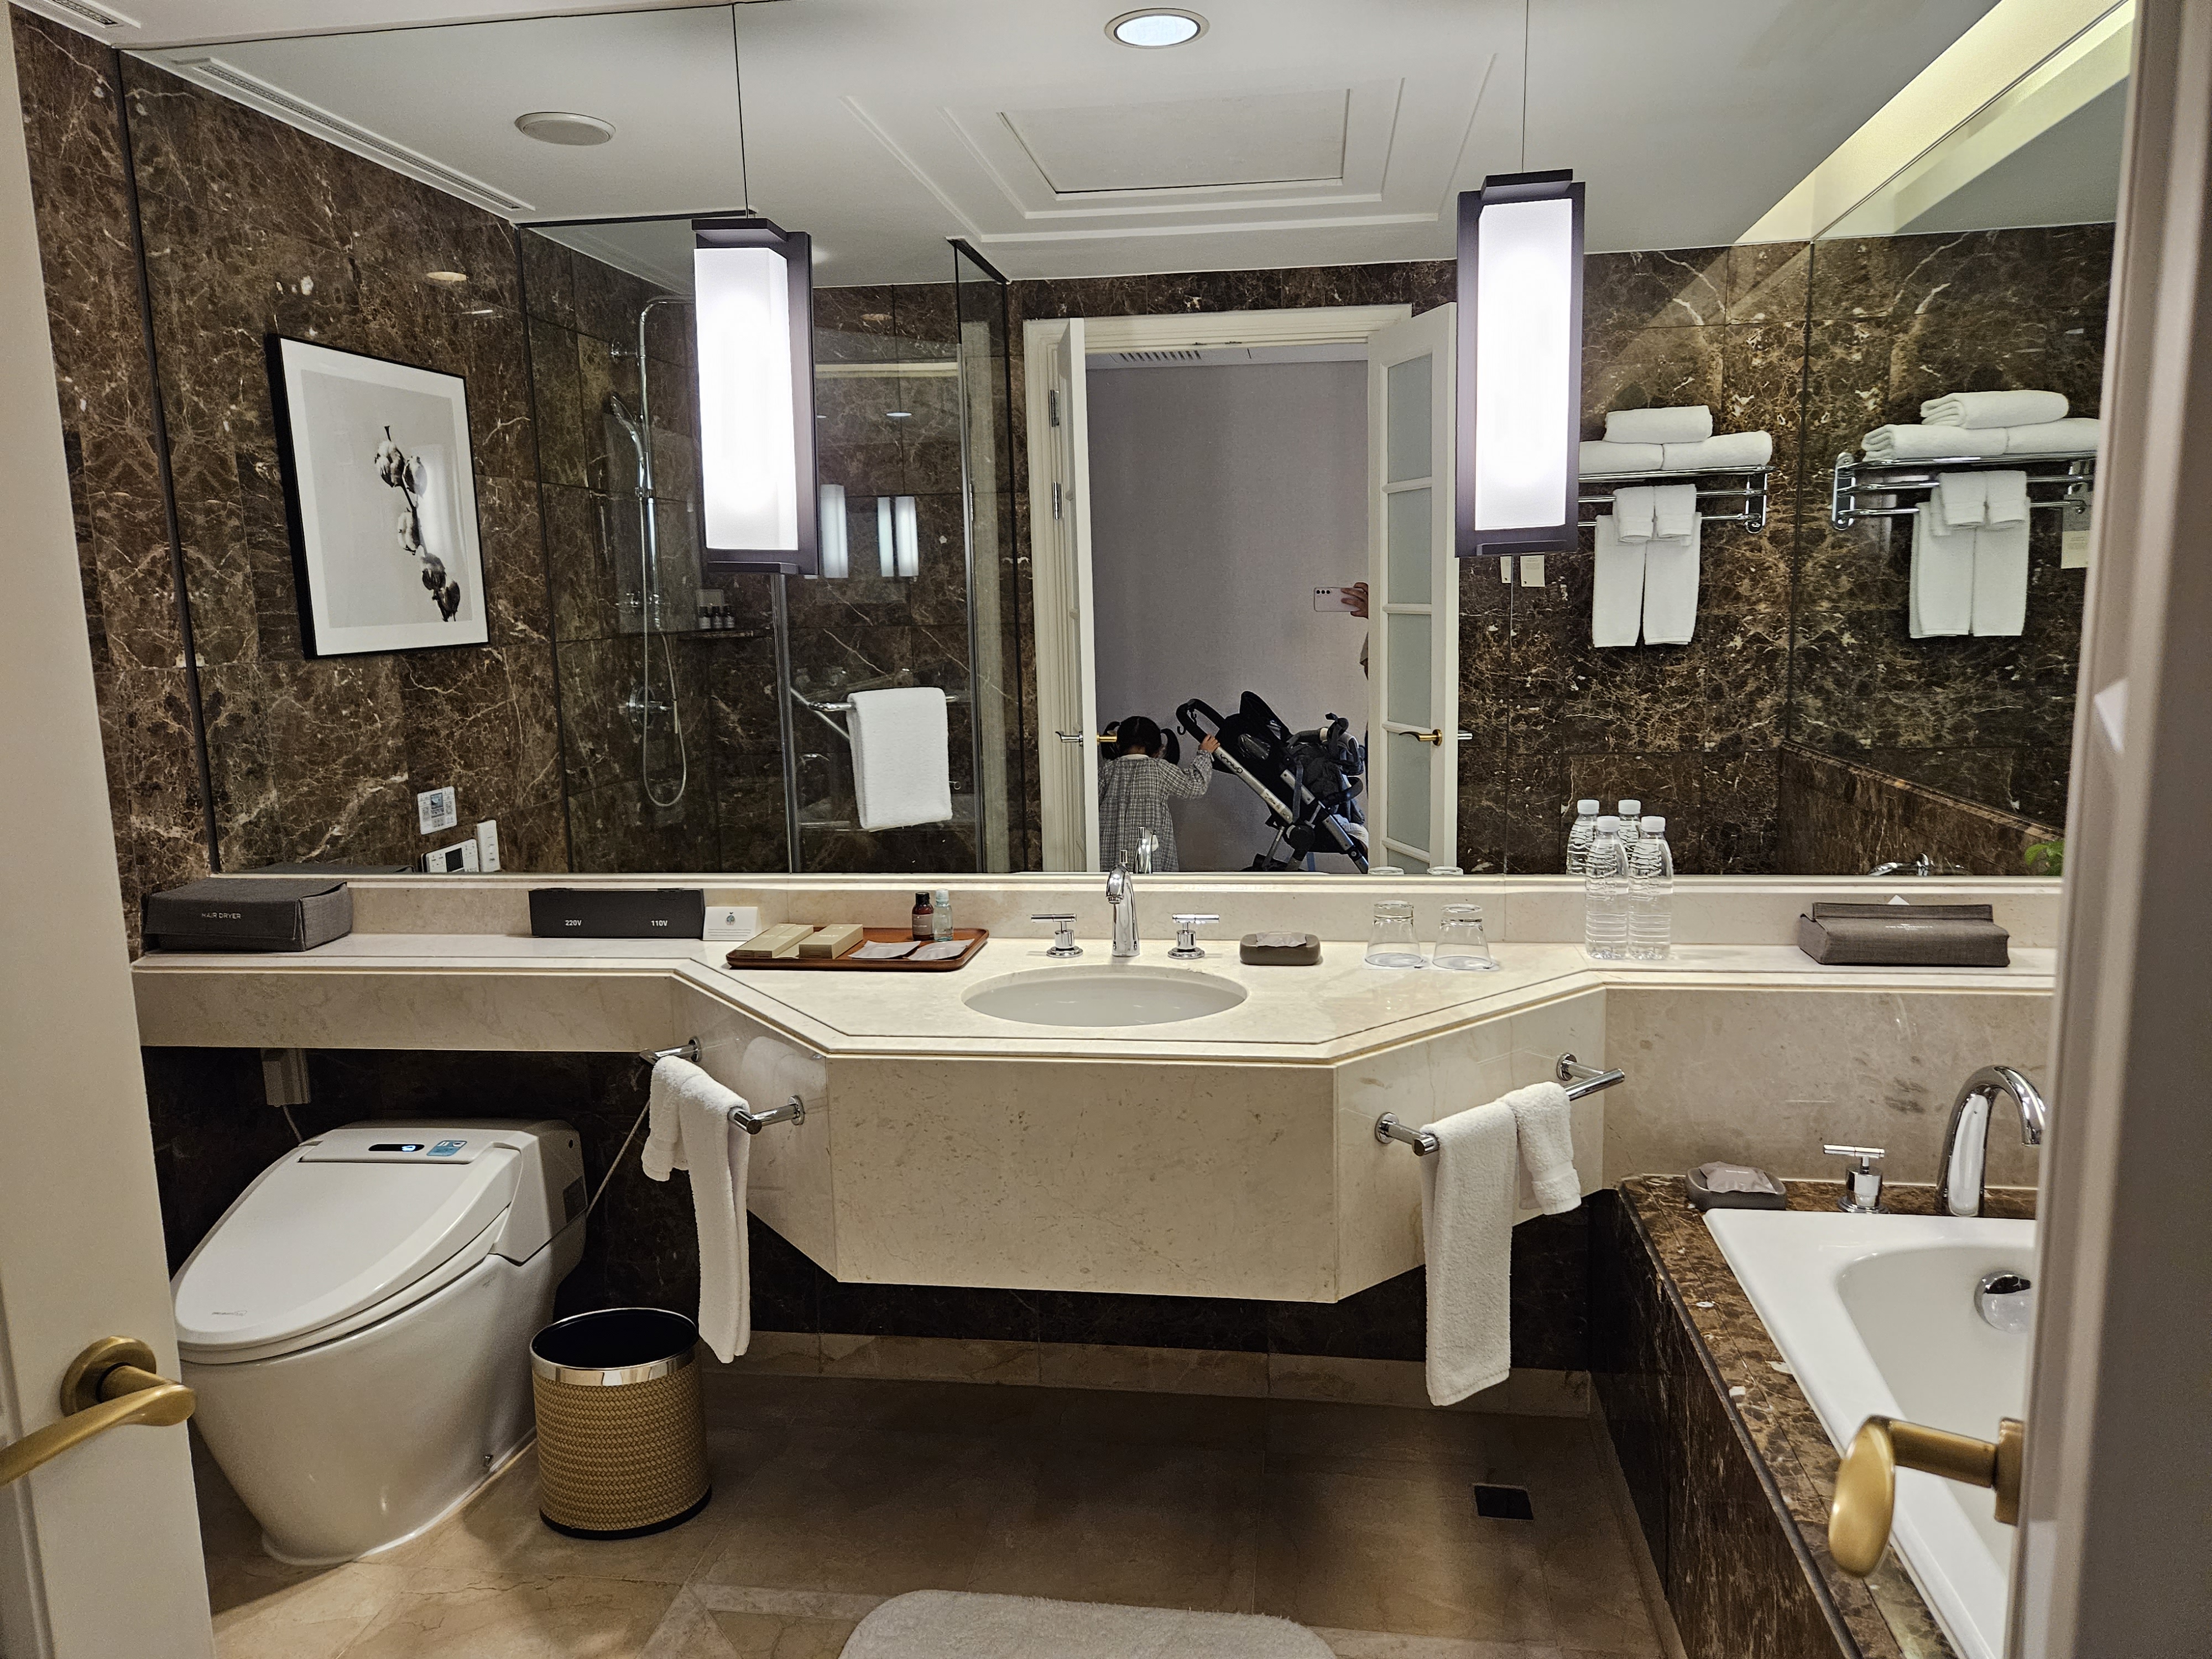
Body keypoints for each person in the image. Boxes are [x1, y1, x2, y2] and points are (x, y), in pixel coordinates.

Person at [1098, 714, 1218, 873]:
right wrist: (1204, 754)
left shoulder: (1108, 770)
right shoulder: (1159, 769)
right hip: (1150, 854)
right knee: (1152, 885)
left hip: (1112, 856)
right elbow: (1195, 786)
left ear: (1117, 744)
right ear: (1159, 750)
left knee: (1114, 883)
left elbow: (1090, 802)